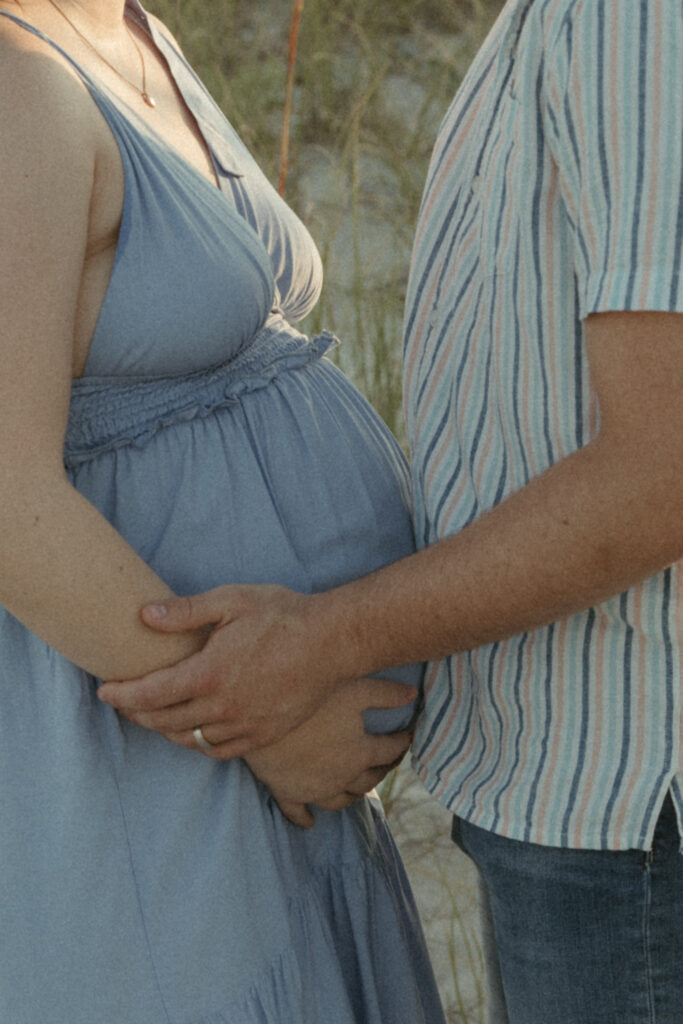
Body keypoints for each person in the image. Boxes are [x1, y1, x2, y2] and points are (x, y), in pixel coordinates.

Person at [103, 2, 683, 1022]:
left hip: (631, 795)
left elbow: (662, 469)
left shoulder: (633, 19)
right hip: (584, 777)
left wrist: (326, 641)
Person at [0, 1, 448, 1020]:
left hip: (247, 747)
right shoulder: (15, 79)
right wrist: (259, 724)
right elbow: (5, 498)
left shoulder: (127, 30)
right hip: (155, 764)